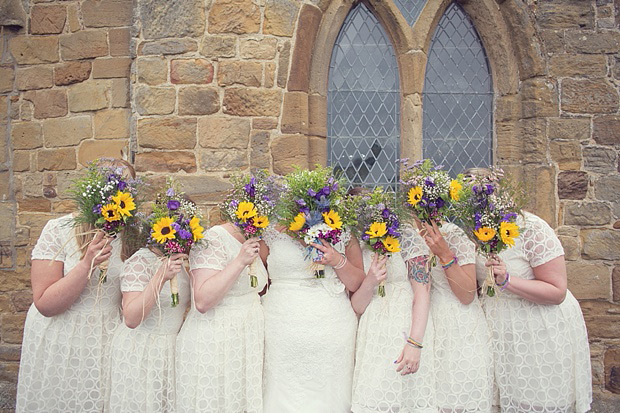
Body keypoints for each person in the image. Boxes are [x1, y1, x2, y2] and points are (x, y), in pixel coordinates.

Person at [16, 160, 135, 412]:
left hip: (108, 339)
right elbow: (45, 304)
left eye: (127, 187)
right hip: (63, 338)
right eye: (113, 185)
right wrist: (86, 264)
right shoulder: (58, 230)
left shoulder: (130, 236)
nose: (120, 193)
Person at [482, 211, 592, 412]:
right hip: (497, 336)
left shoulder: (531, 227)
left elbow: (557, 292)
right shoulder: (473, 230)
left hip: (537, 334)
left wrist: (507, 281)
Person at [261, 227, 365, 412]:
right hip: (280, 328)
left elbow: (357, 283)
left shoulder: (344, 230)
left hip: (332, 328)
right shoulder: (270, 232)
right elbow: (257, 278)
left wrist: (337, 260)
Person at [175, 223, 266, 412]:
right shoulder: (213, 238)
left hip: (247, 339)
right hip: (218, 340)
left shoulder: (256, 237)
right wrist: (240, 261)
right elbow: (202, 301)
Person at [351, 224, 436, 412]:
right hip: (373, 334)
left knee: (408, 399)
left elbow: (423, 292)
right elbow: (357, 306)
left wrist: (415, 343)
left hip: (405, 327)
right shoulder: (358, 240)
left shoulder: (405, 233)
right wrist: (370, 281)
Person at [417, 220, 494, 412]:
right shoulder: (410, 235)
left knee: (456, 398)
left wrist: (444, 255)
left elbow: (467, 294)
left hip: (457, 326)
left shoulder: (454, 235)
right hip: (427, 324)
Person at [106, 248, 189, 412]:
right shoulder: (140, 261)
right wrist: (161, 276)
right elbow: (131, 318)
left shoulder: (182, 260)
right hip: (143, 351)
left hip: (172, 350)